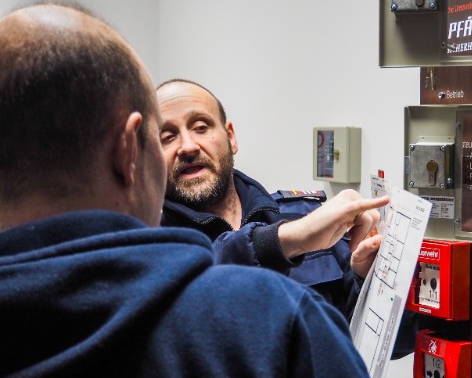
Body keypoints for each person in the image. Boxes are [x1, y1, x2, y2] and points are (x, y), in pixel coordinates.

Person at [0, 1, 437, 378]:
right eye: (161, 139)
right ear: (128, 150)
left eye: (201, 127)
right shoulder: (271, 321)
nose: (184, 148)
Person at [158, 79, 417, 355]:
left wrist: (370, 280)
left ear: (231, 137)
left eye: (200, 127)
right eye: (167, 137)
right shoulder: (151, 248)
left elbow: (384, 345)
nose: (187, 146)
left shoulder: (303, 214)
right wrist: (289, 240)